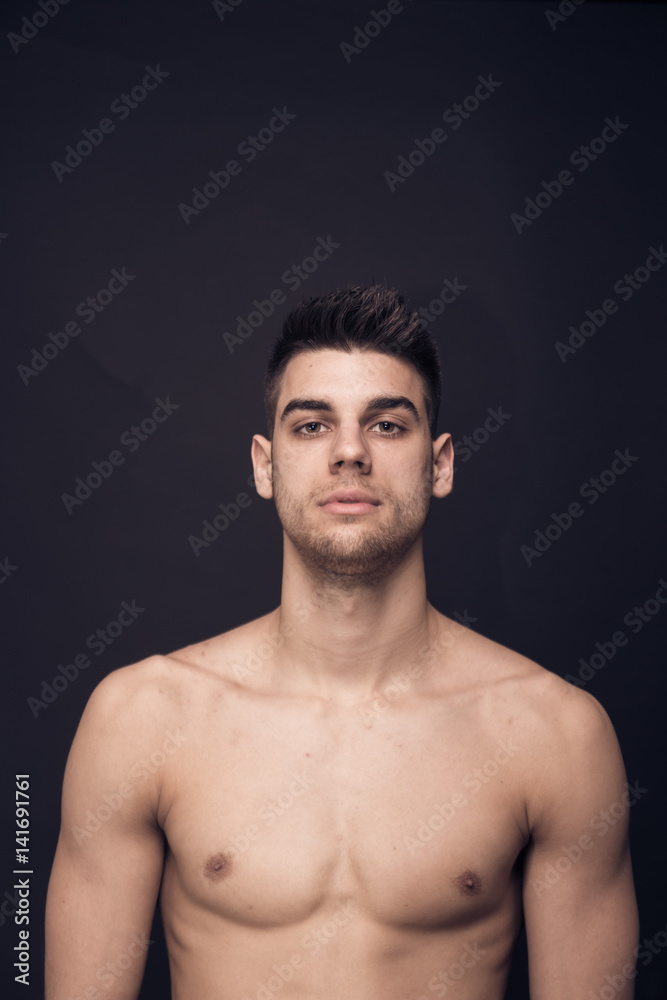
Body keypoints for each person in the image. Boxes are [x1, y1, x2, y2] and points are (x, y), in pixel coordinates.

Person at [45, 284, 638, 1000]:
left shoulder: (556, 735)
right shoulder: (144, 718)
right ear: (264, 465)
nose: (349, 452)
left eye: (387, 425)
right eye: (311, 425)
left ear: (440, 463)